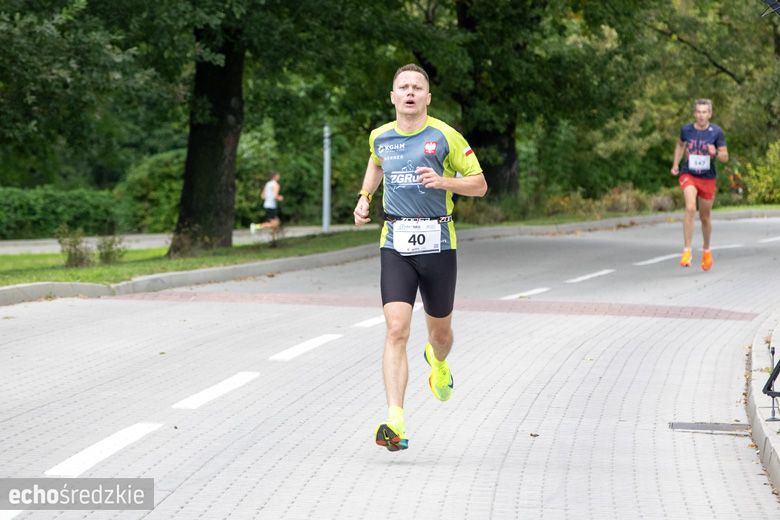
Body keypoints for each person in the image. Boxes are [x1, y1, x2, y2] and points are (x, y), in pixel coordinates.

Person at [353, 64, 488, 452]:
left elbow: (479, 184)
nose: (410, 92)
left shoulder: (445, 135)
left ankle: (438, 361)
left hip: (438, 242)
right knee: (396, 328)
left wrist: (444, 181)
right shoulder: (380, 137)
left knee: (440, 335)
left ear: (428, 98)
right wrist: (365, 198)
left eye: (417, 87)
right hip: (395, 240)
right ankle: (394, 419)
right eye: (403, 87)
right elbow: (376, 163)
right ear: (393, 96)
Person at [671, 99, 728, 271]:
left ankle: (706, 250)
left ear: (709, 114)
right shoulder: (686, 129)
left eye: (705, 112)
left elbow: (725, 157)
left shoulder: (717, 132)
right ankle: (687, 250)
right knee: (690, 208)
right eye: (698, 112)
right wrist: (675, 164)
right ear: (694, 114)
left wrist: (715, 152)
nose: (701, 115)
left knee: (705, 217)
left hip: (708, 177)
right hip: (689, 173)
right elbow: (680, 145)